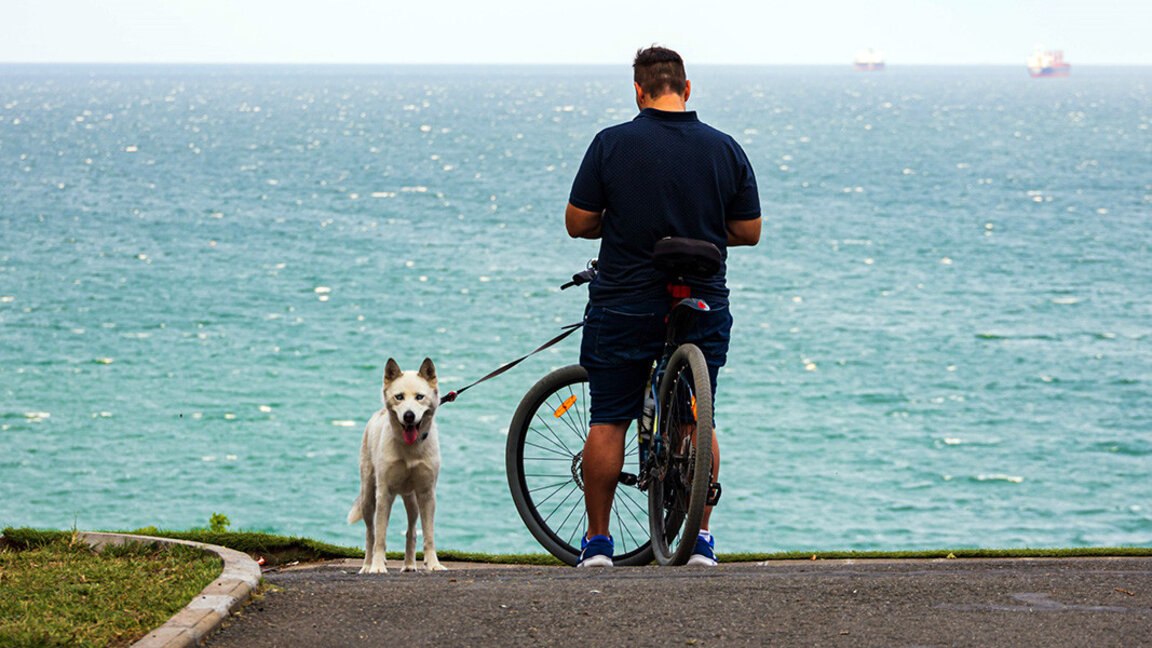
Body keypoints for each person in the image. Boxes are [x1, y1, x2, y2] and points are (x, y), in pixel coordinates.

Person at [565, 46, 761, 567]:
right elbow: (749, 231)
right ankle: (699, 540)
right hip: (701, 301)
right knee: (700, 419)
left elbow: (577, 222)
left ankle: (599, 545)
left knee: (608, 418)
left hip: (626, 299)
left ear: (639, 91)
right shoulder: (725, 149)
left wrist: (622, 222)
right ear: (687, 88)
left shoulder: (611, 143)